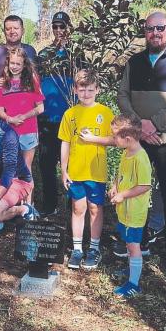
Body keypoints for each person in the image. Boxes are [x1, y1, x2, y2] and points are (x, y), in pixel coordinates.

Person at [117, 11, 166, 273]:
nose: (155, 33)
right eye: (150, 29)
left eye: (160, 28)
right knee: (131, 188)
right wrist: (139, 126)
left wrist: (157, 122)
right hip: (138, 140)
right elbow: (123, 95)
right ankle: (131, 240)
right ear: (144, 31)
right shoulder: (134, 62)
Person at [82, 114, 152, 297]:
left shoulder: (140, 158)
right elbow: (121, 175)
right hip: (125, 211)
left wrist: (123, 194)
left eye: (115, 137)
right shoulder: (126, 152)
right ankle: (131, 271)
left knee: (133, 246)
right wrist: (115, 186)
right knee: (129, 244)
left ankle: (133, 284)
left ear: (127, 139)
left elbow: (144, 185)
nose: (113, 140)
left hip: (134, 212)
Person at [59, 69, 114, 271]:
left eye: (90, 90)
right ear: (75, 90)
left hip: (96, 172)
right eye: (82, 90)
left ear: (97, 90)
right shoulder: (70, 114)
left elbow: (115, 140)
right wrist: (63, 170)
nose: (86, 94)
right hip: (75, 172)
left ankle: (94, 248)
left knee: (94, 208)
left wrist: (94, 139)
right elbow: (65, 142)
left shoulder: (105, 113)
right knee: (78, 208)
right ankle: (77, 249)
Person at [36, 11, 80, 216]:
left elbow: (85, 84)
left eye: (63, 26)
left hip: (70, 120)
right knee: (46, 164)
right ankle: (50, 205)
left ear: (69, 27)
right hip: (47, 119)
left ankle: (74, 205)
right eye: (55, 26)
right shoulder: (43, 54)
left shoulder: (77, 55)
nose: (59, 30)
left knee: (72, 165)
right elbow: (34, 82)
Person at [0, 47, 45, 173]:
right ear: (8, 63)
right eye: (12, 63)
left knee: (26, 171)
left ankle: (28, 193)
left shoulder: (32, 81)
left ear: (24, 65)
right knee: (10, 170)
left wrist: (23, 117)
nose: (15, 66)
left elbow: (40, 108)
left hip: (28, 131)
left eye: (18, 64)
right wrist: (9, 119)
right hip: (9, 132)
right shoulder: (3, 84)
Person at [0, 14, 37, 86]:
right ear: (4, 31)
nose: (12, 31)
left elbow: (36, 78)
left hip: (26, 96)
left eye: (16, 28)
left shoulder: (30, 51)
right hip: (0, 96)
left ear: (23, 31)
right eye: (8, 29)